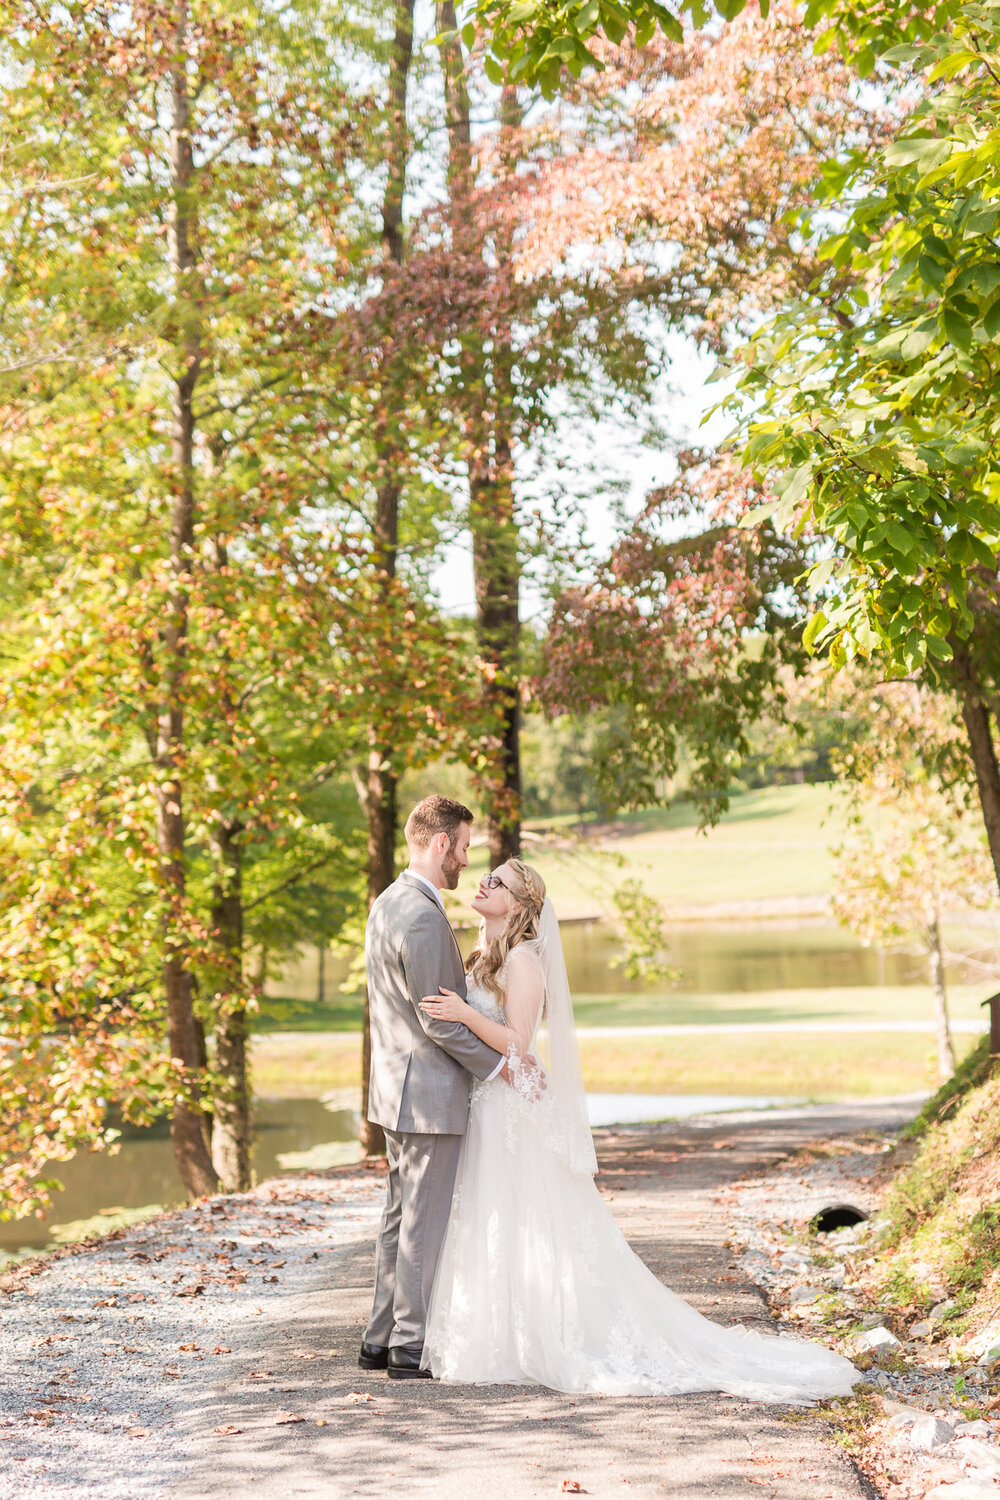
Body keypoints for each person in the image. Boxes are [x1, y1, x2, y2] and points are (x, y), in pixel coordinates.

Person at [418, 858, 859, 1403]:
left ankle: (546, 1337)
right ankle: (496, 1334)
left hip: (515, 1111)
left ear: (520, 904)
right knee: (497, 1218)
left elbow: (520, 1045)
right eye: (485, 875)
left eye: (497, 881)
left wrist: (463, 1012)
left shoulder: (527, 960)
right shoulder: (484, 955)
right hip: (491, 1104)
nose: (482, 882)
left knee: (529, 1217)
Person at [360, 796, 506, 1380]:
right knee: (422, 1218)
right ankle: (410, 1344)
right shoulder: (421, 914)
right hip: (429, 1093)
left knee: (399, 1214)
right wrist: (498, 1068)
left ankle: (379, 1336)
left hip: (398, 1087)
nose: (466, 860)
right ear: (441, 842)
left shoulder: (388, 903)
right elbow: (435, 1018)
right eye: (465, 846)